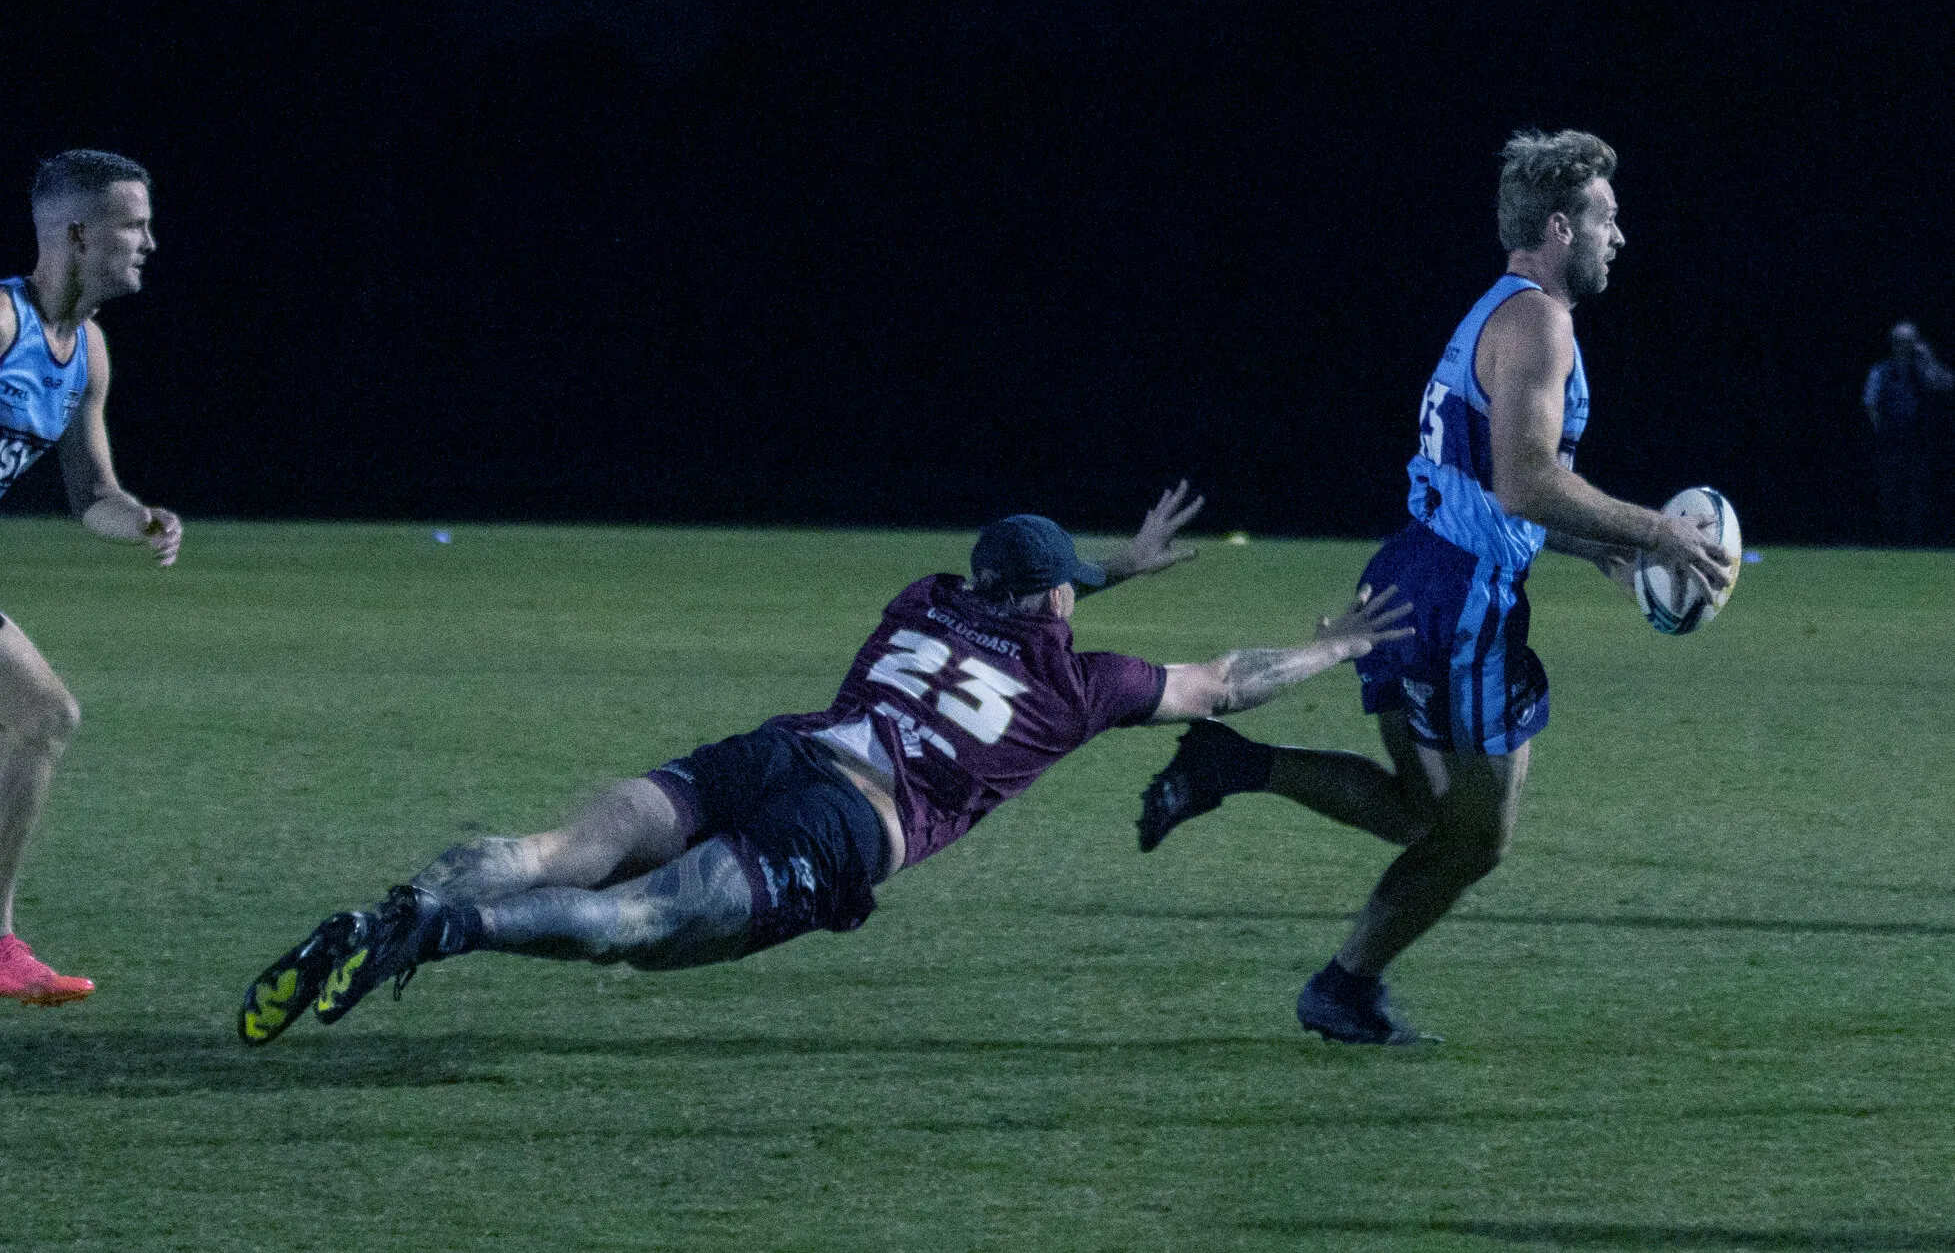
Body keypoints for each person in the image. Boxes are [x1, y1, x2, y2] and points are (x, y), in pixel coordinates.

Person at [238, 484, 1411, 1044]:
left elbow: (1030, 582)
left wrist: (1117, 565)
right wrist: (1331, 647)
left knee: (561, 850)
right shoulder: (1078, 684)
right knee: (637, 929)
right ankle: (444, 937)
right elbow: (1220, 683)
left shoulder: (926, 596)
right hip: (843, 826)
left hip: (775, 749)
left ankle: (401, 906)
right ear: (1059, 601)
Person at [1136, 129, 1731, 1045]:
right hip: (1460, 605)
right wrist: (1654, 528)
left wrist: (1597, 551)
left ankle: (1236, 766)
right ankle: (1341, 984)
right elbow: (1524, 479)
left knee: (1425, 811)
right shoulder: (1540, 320)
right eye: (1609, 218)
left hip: (1419, 566)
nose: (1622, 236)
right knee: (1475, 837)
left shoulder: (1495, 309)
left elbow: (1492, 485)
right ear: (1562, 226)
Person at [0, 150, 182, 1007]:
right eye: (132, 224)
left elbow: (92, 495)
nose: (148, 241)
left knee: (44, 714)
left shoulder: (86, 354)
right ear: (76, 234)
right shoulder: (1, 321)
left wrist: (139, 517)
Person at [1862, 321, 1953, 546]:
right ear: (1892, 344)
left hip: (1919, 444)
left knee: (1918, 497)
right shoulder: (1881, 370)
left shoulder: (1923, 370)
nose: (1904, 346)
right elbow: (1870, 403)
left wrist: (1928, 358)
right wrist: (1882, 431)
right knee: (1889, 496)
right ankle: (1889, 543)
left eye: (1909, 342)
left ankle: (1914, 545)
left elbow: (1945, 384)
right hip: (1889, 444)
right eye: (1899, 342)